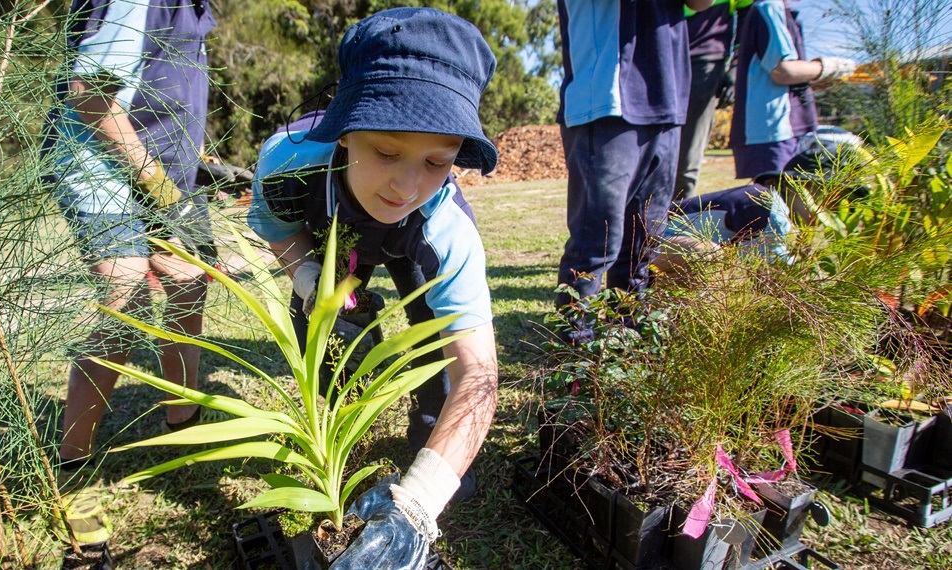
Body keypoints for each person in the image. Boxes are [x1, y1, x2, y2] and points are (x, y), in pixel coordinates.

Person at [247, 8, 499, 568]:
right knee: (329, 333)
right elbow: (279, 229)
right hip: (332, 236)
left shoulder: (443, 225)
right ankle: (342, 428)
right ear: (345, 126)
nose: (408, 185)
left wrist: (420, 505)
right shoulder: (288, 162)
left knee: (435, 342)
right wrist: (306, 274)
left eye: (438, 161)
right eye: (386, 151)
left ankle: (432, 441)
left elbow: (477, 372)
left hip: (411, 247)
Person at [40, 0, 217, 548]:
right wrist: (157, 183)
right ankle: (72, 467)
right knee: (129, 300)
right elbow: (91, 96)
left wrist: (190, 169)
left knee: (188, 286)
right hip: (100, 165)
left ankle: (182, 424)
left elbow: (174, 93)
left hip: (164, 167)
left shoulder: (195, 7)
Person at [554, 0, 714, 343]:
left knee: (643, 248)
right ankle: (574, 362)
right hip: (606, 100)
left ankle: (626, 348)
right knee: (595, 246)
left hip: (667, 103)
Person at [657, 136, 866, 276]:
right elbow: (775, 276)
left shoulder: (773, 206)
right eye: (830, 200)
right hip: (645, 244)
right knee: (706, 253)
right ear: (799, 186)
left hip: (661, 247)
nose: (833, 213)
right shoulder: (770, 208)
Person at [728, 0, 856, 179]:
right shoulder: (768, 7)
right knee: (775, 200)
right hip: (771, 130)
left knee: (788, 200)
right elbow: (783, 71)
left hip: (785, 128)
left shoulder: (781, 11)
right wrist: (829, 68)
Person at [675, 0, 754, 200]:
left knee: (686, 157)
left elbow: (748, 17)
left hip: (705, 61)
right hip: (650, 56)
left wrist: (737, 65)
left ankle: (676, 219)